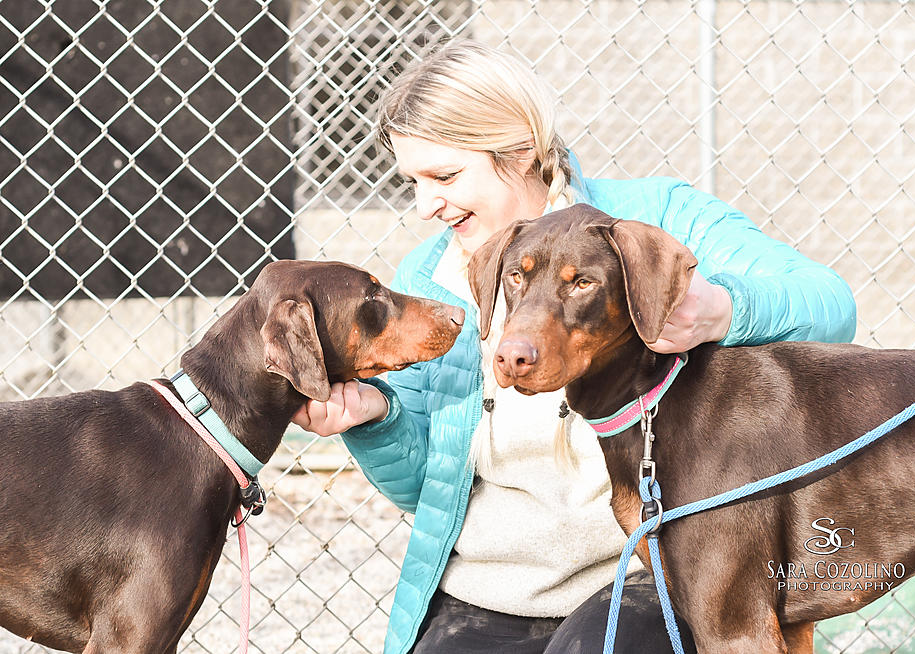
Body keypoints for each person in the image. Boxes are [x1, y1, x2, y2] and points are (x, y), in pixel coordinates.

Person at [292, 40, 857, 654]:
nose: (426, 204)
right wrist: (374, 422)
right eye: (412, 181)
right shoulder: (431, 283)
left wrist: (721, 309)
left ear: (522, 149)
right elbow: (423, 488)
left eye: (446, 176)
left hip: (642, 575)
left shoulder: (655, 222)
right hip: (487, 593)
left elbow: (829, 305)